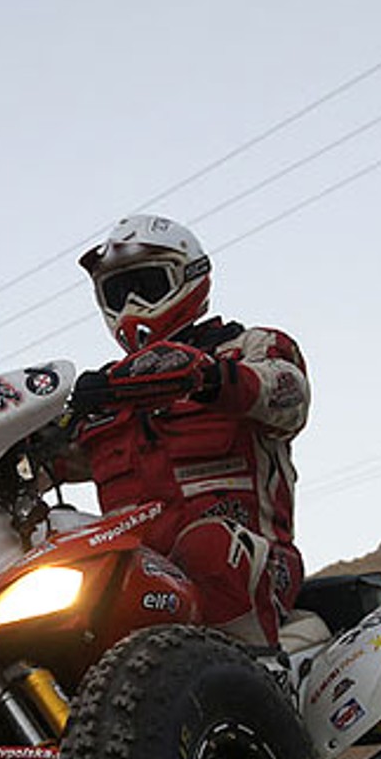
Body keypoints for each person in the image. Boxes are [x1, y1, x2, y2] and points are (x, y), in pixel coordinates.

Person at [61, 214, 310, 645]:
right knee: (48, 552)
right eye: (118, 292)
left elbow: (288, 396)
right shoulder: (99, 395)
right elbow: (45, 461)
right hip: (141, 577)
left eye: (148, 284)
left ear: (191, 277)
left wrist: (209, 377)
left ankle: (255, 682)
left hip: (257, 563)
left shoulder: (248, 347)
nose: (133, 303)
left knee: (209, 547)